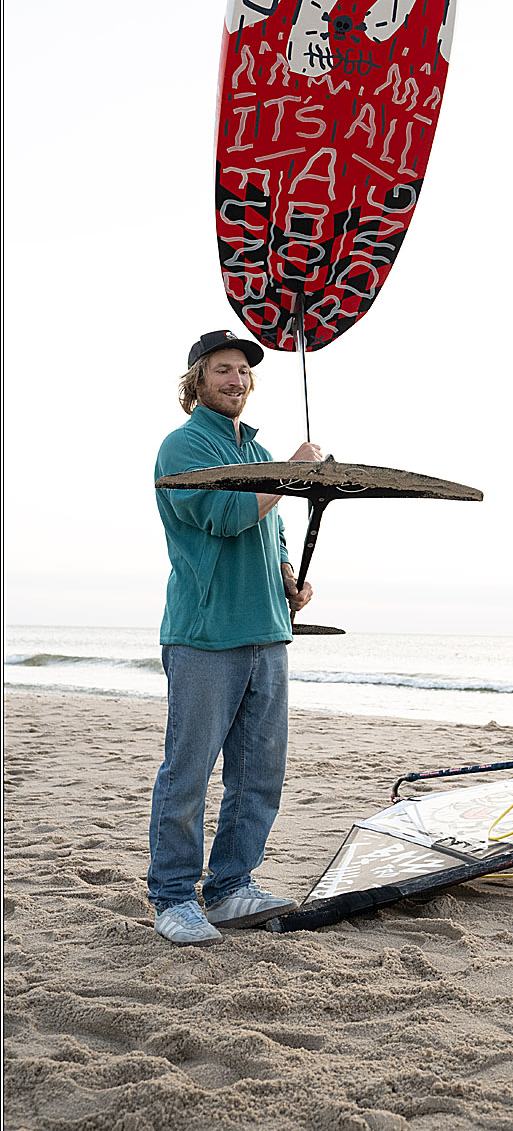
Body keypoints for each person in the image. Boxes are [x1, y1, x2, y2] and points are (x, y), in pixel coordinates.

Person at [148, 328, 322, 945]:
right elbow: (223, 517)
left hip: (267, 631)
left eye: (244, 372)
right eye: (223, 370)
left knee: (257, 774)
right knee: (188, 771)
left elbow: (266, 532)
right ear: (197, 378)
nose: (236, 381)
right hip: (205, 634)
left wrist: (288, 579)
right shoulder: (183, 445)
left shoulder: (258, 448)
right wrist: (292, 475)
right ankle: (173, 897)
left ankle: (229, 889)